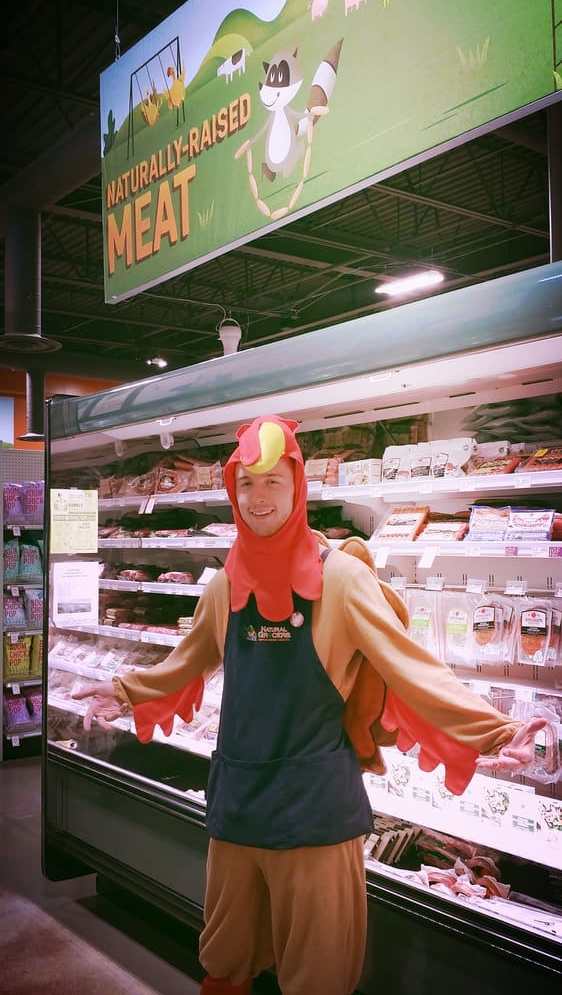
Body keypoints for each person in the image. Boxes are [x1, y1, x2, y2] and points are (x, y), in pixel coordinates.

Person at [73, 415, 549, 995]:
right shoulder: (225, 583)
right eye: (246, 483)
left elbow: (411, 666)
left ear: (298, 486)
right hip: (239, 804)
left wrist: (494, 731)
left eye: (274, 481)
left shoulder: (342, 579)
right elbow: (187, 660)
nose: (258, 497)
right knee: (225, 958)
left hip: (317, 810)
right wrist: (124, 691)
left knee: (318, 974)